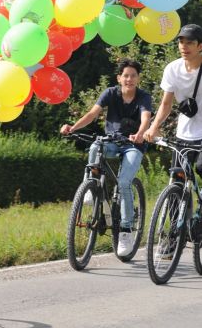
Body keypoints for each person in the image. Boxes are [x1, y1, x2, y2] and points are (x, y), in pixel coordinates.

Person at [60, 58, 153, 257]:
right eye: (125, 75)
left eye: (133, 76)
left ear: (138, 78)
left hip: (133, 146)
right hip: (112, 141)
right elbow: (93, 113)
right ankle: (91, 189)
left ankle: (126, 230)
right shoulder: (110, 93)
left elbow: (146, 118)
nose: (129, 79)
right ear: (119, 78)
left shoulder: (144, 97)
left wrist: (141, 132)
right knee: (96, 145)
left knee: (124, 183)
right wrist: (73, 127)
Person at [144, 24, 202, 259]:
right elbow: (166, 104)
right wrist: (153, 127)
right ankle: (172, 237)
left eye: (189, 42)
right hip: (183, 135)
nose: (183, 46)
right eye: (181, 42)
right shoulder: (172, 69)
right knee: (176, 183)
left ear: (200, 46)